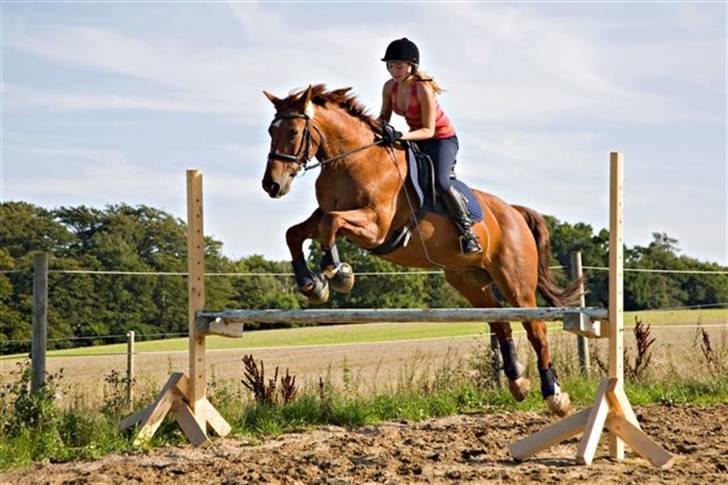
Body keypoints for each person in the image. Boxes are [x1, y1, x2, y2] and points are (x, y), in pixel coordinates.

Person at [377, 37, 481, 254]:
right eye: (391, 66)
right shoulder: (389, 88)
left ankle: (468, 233)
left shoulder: (422, 88)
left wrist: (400, 136)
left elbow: (429, 130)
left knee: (441, 182)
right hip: (414, 137)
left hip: (441, 140)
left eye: (399, 66)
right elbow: (382, 120)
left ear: (411, 65)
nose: (394, 70)